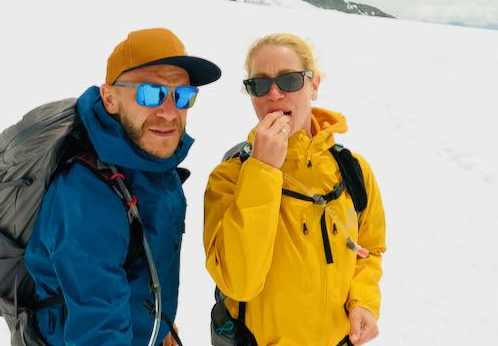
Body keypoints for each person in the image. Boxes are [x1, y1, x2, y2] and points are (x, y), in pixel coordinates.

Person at [25, 27, 221, 346]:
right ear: (110, 98)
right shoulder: (86, 195)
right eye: (150, 93)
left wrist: (158, 327)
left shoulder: (152, 160)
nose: (169, 111)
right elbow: (97, 328)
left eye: (182, 96)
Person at [203, 33, 386, 346]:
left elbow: (369, 250)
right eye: (259, 84)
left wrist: (363, 301)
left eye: (289, 80)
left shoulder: (353, 171)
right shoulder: (230, 177)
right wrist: (262, 170)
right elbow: (239, 282)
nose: (273, 94)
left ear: (313, 85)